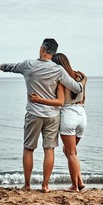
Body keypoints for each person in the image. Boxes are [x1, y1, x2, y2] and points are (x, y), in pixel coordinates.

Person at [0, 38, 86, 192]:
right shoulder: (58, 70)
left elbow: (9, 67)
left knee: (28, 149)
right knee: (49, 150)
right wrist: (84, 80)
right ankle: (45, 186)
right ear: (53, 52)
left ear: (42, 49)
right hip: (53, 116)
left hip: (34, 114)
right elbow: (77, 88)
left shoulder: (28, 65)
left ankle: (27, 185)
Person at [29, 53, 87, 192]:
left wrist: (39, 99)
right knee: (70, 151)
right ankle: (80, 181)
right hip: (82, 114)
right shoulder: (79, 78)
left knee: (71, 152)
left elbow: (59, 101)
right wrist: (85, 80)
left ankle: (75, 187)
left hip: (68, 115)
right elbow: (83, 98)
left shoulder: (61, 79)